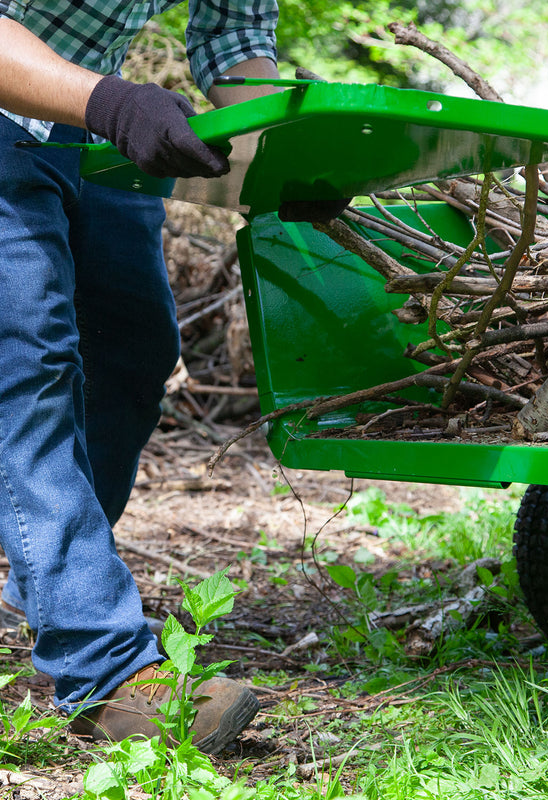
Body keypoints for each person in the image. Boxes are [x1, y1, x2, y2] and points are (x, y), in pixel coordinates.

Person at [0, 0, 282, 754]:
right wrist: (112, 101)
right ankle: (105, 668)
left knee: (133, 356)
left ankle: (49, 582)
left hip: (89, 119)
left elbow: (235, 38)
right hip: (37, 101)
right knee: (29, 368)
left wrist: (282, 156)